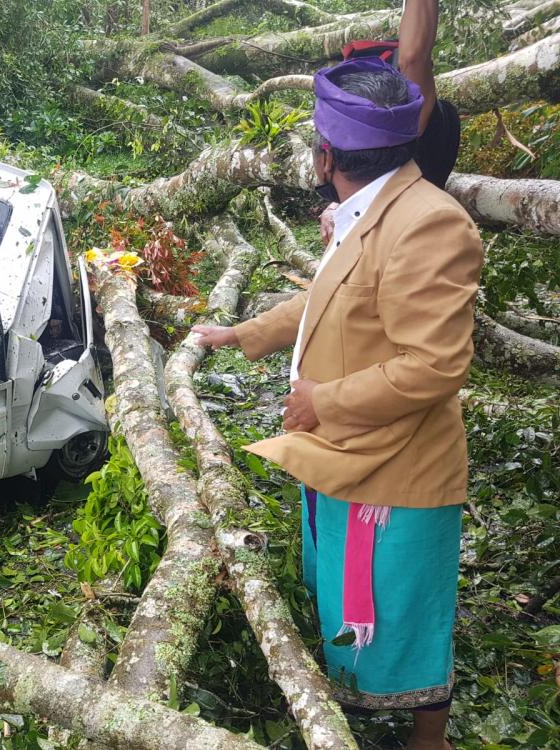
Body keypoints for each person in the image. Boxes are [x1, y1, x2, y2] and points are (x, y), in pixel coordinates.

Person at [192, 58, 483, 750]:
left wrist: (324, 401)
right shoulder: (365, 210)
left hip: (396, 463)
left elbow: (437, 365)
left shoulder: (428, 224)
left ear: (325, 157)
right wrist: (243, 333)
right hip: (343, 453)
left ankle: (428, 738)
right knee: (349, 597)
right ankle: (349, 704)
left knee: (406, 608)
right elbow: (327, 296)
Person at [321, 0, 460, 246]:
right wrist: (338, 206)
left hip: (405, 238)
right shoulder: (375, 144)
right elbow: (362, 178)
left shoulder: (408, 123)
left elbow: (414, 57)